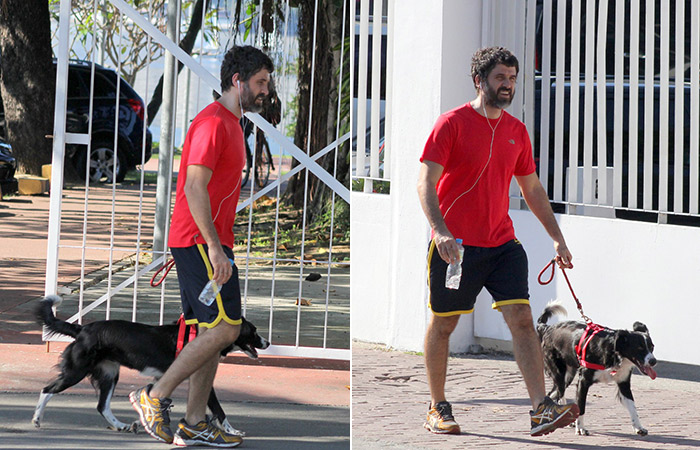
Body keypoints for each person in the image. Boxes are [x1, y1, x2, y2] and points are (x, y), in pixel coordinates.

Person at [417, 46, 579, 437]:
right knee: (445, 324)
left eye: (512, 79)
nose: (507, 86)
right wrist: (440, 232)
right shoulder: (451, 124)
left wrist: (557, 238)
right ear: (479, 81)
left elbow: (532, 189)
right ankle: (437, 406)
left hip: (503, 244)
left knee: (522, 320)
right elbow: (425, 182)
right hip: (456, 248)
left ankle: (541, 408)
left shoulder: (516, 131)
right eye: (499, 78)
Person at [130, 45, 273, 447]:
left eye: (267, 82)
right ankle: (153, 396)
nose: (265, 90)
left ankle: (194, 422)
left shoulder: (233, 123)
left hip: (208, 241)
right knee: (227, 327)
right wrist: (214, 246)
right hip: (198, 241)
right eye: (260, 82)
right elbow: (193, 186)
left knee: (213, 330)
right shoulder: (213, 123)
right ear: (237, 81)